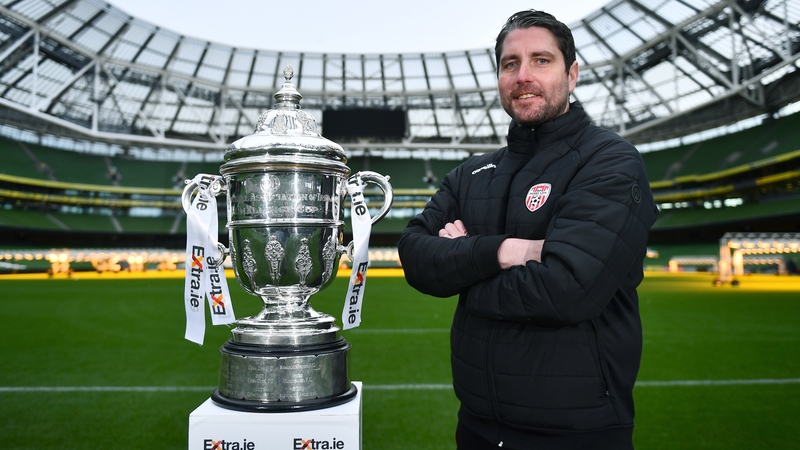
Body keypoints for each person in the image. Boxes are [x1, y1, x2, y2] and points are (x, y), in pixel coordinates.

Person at [397, 9, 659, 450]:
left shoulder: (610, 161)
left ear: (571, 74)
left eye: (541, 60)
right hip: (477, 426)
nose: (523, 75)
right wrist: (506, 252)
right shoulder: (472, 174)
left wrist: (463, 272)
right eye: (510, 64)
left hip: (578, 432)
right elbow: (415, 255)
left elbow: (567, 288)